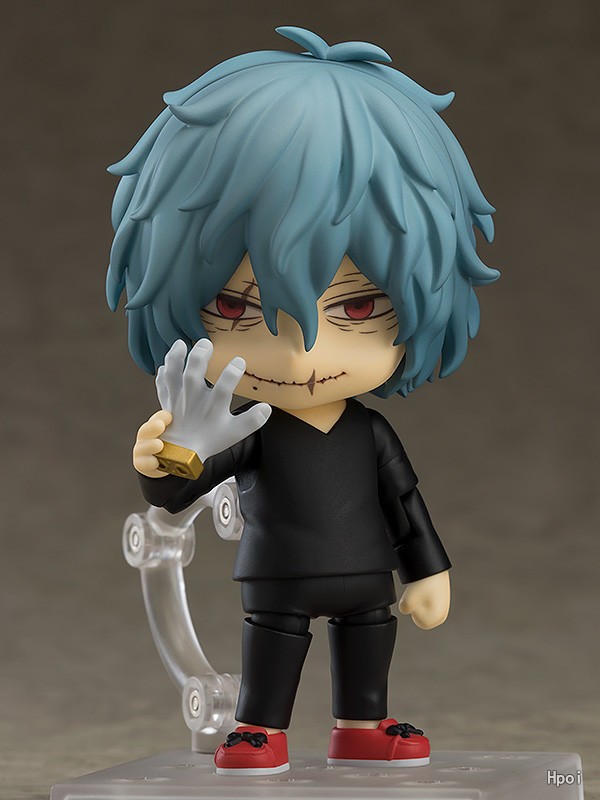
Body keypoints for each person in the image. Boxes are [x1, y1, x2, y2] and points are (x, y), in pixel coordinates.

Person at [107, 25, 499, 776]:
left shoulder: (369, 432)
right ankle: (260, 728)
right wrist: (167, 457)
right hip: (278, 576)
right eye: (236, 309)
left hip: (366, 575)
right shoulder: (251, 426)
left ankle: (363, 724)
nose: (299, 354)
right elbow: (183, 488)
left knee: (369, 640)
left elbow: (405, 504)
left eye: (355, 308)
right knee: (273, 646)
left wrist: (428, 569)